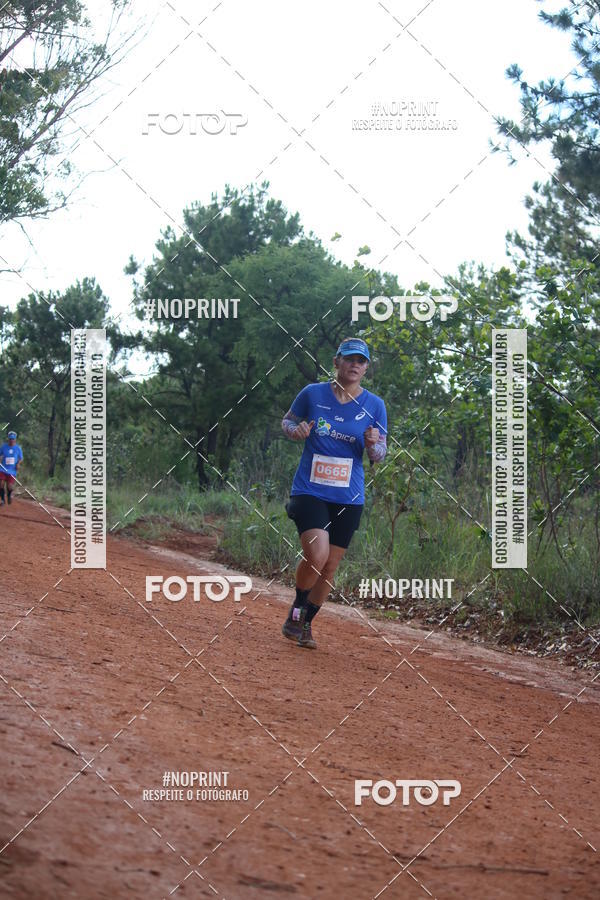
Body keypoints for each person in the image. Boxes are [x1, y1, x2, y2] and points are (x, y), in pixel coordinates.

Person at [281, 338, 388, 649]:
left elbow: (380, 453)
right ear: (336, 361)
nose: (355, 365)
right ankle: (297, 610)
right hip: (310, 490)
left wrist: (372, 445)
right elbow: (288, 421)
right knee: (317, 555)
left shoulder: (374, 405)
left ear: (366, 368)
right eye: (350, 359)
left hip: (349, 497)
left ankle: (303, 624)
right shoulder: (312, 393)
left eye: (362, 361)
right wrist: (295, 431)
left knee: (330, 566)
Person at [0, 431, 23, 506]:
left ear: (15, 439)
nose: (11, 440)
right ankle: (2, 500)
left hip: (12, 470)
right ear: (8, 439)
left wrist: (18, 464)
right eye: (10, 439)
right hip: (3, 469)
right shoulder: (4, 447)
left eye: (13, 439)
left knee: (9, 486)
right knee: (1, 484)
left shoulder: (18, 448)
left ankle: (9, 495)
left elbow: (21, 458)